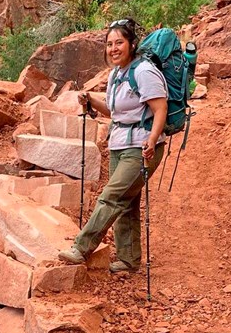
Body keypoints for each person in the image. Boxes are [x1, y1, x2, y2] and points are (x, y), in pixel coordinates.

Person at [59, 19, 168, 273]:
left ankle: (81, 248)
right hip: (119, 145)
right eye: (109, 44)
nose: (113, 48)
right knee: (126, 202)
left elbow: (160, 107)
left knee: (112, 197)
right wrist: (91, 100)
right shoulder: (117, 74)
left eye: (119, 42)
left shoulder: (144, 71)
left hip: (142, 147)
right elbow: (115, 111)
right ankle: (129, 260)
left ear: (132, 44)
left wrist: (152, 140)